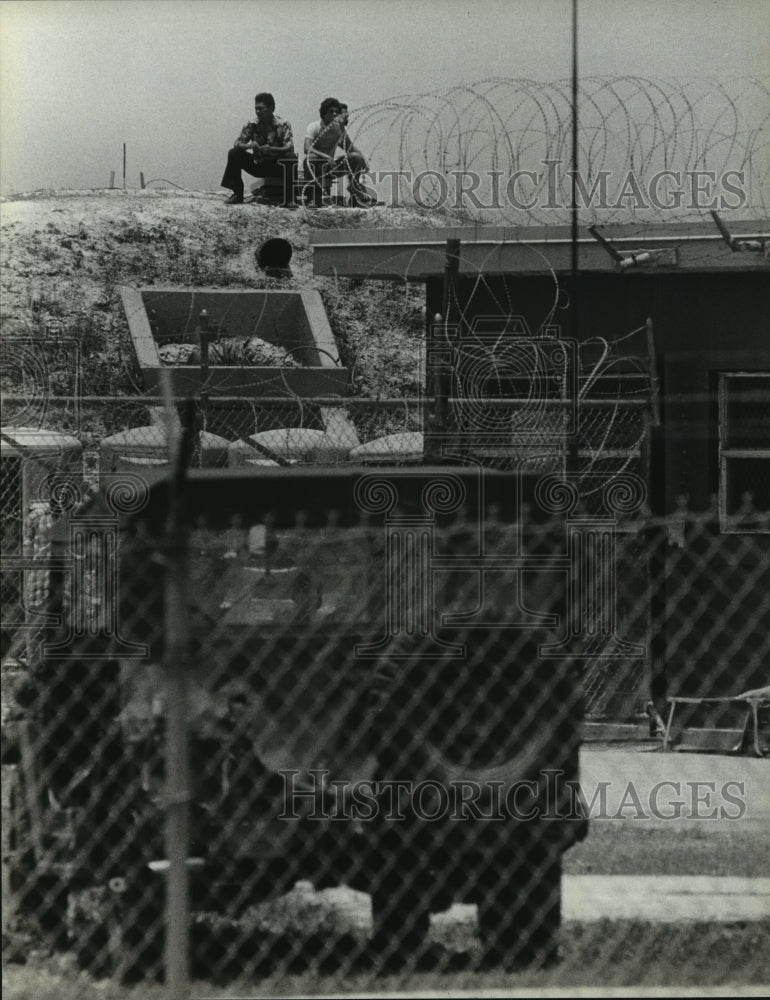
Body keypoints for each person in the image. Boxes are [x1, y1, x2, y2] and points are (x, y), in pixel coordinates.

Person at [220, 92, 298, 206]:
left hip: (277, 166)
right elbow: (237, 143)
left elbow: (289, 147)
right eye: (256, 109)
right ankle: (237, 194)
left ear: (271, 108)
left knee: (291, 157)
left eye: (260, 109)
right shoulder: (251, 124)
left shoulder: (283, 124)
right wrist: (249, 146)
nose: (257, 112)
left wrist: (272, 149)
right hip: (259, 164)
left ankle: (290, 199)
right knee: (234, 153)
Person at [304, 98, 374, 207]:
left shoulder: (338, 129)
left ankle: (354, 187)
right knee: (312, 158)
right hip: (315, 165)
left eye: (336, 111)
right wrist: (325, 156)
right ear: (324, 113)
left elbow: (350, 148)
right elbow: (307, 148)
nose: (334, 114)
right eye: (331, 111)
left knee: (356, 157)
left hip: (329, 167)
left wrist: (363, 159)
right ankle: (313, 198)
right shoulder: (314, 126)